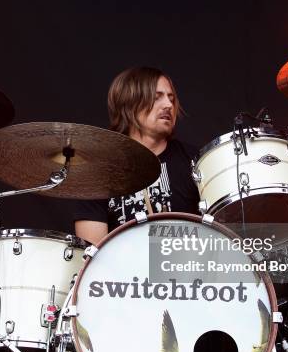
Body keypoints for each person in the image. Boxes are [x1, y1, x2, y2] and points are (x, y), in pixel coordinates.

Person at [74, 66, 200, 244]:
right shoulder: (98, 171)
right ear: (130, 104)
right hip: (121, 270)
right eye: (157, 97)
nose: (168, 105)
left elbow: (221, 231)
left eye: (171, 98)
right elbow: (91, 255)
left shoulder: (196, 161)